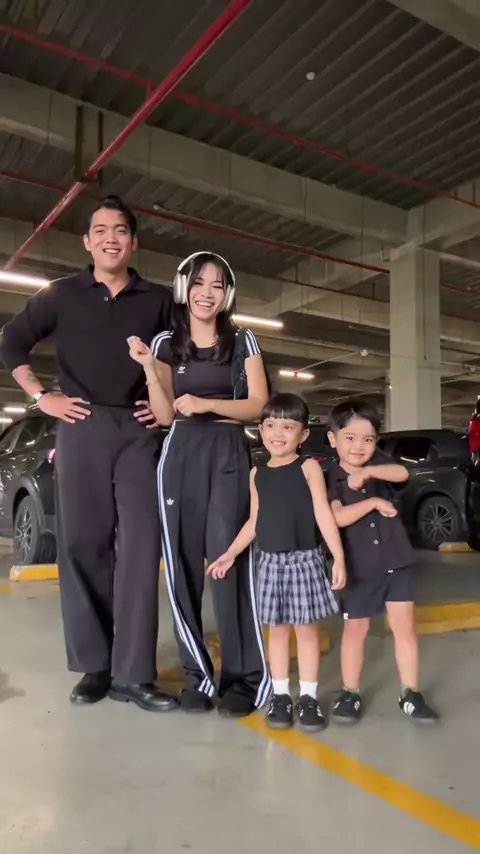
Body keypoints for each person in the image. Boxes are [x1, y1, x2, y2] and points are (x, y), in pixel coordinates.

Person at [0, 195, 178, 713]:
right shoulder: (60, 295)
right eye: (100, 230)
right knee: (82, 545)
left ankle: (134, 675)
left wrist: (162, 402)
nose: (110, 239)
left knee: (141, 548)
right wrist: (41, 397)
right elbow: (10, 343)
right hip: (80, 426)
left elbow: (182, 357)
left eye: (119, 230)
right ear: (87, 241)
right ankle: (95, 667)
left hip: (139, 432)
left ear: (133, 241)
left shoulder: (159, 299)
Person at [128, 251, 271, 718]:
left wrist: (209, 405)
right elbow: (164, 415)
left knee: (230, 563)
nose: (206, 293)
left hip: (228, 454)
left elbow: (258, 404)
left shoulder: (243, 339)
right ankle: (197, 676)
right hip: (181, 455)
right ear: (183, 288)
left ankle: (243, 679)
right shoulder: (166, 343)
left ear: (227, 293)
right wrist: (149, 369)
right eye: (198, 283)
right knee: (183, 566)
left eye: (217, 285)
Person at [207, 393, 346, 731]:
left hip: (304, 561)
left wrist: (339, 557)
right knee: (278, 632)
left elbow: (323, 513)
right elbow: (255, 521)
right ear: (261, 430)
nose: (277, 433)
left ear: (302, 435)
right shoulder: (257, 474)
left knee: (307, 633)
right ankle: (281, 695)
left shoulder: (308, 468)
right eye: (270, 425)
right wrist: (230, 553)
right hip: (269, 563)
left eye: (288, 426)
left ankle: (308, 698)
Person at [326, 399, 438, 724]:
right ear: (333, 439)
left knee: (405, 628)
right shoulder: (330, 478)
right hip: (359, 566)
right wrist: (373, 502)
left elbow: (402, 473)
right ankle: (350, 692)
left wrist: (370, 472)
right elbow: (338, 517)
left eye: (368, 439)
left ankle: (410, 692)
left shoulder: (379, 465)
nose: (358, 446)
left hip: (396, 560)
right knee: (356, 629)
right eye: (349, 437)